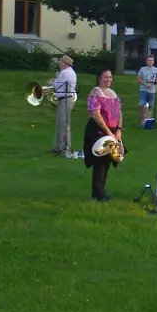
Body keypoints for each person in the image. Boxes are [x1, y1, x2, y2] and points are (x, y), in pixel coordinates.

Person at [83, 69, 124, 202]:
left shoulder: (113, 93)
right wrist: (108, 132)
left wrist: (119, 129)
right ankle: (97, 194)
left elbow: (119, 112)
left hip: (113, 131)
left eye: (110, 77)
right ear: (99, 78)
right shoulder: (95, 93)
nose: (109, 80)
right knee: (100, 161)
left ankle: (101, 191)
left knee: (108, 161)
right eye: (106, 77)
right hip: (98, 131)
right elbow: (96, 115)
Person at [49, 55, 78, 157]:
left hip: (66, 99)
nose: (59, 63)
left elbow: (56, 85)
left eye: (61, 62)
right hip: (66, 98)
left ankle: (63, 148)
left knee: (63, 124)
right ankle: (58, 147)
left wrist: (52, 82)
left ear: (65, 64)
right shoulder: (69, 72)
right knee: (61, 123)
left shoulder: (65, 72)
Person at [137, 55, 157, 125]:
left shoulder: (156, 70)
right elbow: (138, 78)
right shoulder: (142, 69)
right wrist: (144, 84)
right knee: (141, 105)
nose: (150, 62)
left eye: (151, 60)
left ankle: (148, 122)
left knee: (151, 106)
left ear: (153, 61)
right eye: (149, 60)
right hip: (143, 90)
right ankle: (142, 121)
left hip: (153, 91)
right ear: (146, 61)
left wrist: (154, 82)